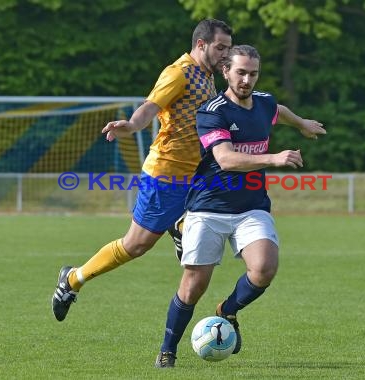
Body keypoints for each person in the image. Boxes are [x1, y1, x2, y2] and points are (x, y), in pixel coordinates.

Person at [154, 45, 326, 368]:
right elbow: (225, 159)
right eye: (241, 73)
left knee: (264, 268)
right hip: (207, 207)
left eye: (253, 73)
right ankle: (168, 349)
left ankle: (227, 310)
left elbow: (278, 110)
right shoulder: (212, 111)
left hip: (251, 206)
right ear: (226, 72)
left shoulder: (263, 102)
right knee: (193, 287)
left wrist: (301, 123)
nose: (247, 79)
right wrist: (273, 158)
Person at [51, 19, 233, 321]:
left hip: (195, 174)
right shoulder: (178, 73)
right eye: (220, 47)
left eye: (228, 47)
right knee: (135, 246)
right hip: (165, 174)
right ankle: (71, 280)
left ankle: (182, 225)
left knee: (213, 221)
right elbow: (150, 106)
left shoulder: (207, 74)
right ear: (201, 44)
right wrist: (133, 125)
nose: (225, 53)